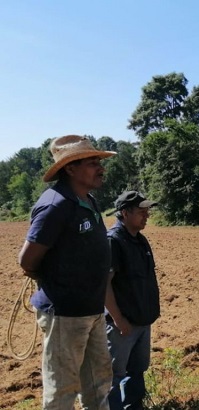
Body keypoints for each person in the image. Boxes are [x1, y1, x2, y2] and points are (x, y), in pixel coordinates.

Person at [18, 135, 116, 409]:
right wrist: (57, 280)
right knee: (62, 390)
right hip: (65, 314)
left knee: (99, 383)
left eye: (99, 162)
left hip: (92, 310)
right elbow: (27, 260)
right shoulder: (55, 205)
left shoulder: (88, 200)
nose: (101, 168)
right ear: (70, 168)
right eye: (92, 163)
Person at [104, 191, 160, 410]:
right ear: (125, 213)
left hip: (142, 321)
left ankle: (134, 406)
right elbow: (104, 285)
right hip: (122, 326)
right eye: (141, 211)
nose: (147, 216)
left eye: (147, 211)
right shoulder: (114, 241)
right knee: (113, 376)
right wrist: (119, 320)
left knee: (137, 371)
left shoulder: (140, 239)